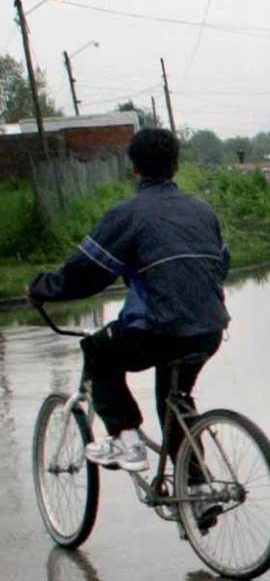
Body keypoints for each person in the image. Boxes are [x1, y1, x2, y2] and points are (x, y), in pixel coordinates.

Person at [28, 128, 230, 474]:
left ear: (133, 167)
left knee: (99, 352)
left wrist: (42, 288)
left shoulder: (126, 214)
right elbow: (220, 266)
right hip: (209, 329)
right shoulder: (202, 211)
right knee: (174, 402)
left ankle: (126, 439)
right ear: (177, 165)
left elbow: (86, 272)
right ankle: (197, 484)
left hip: (159, 330)